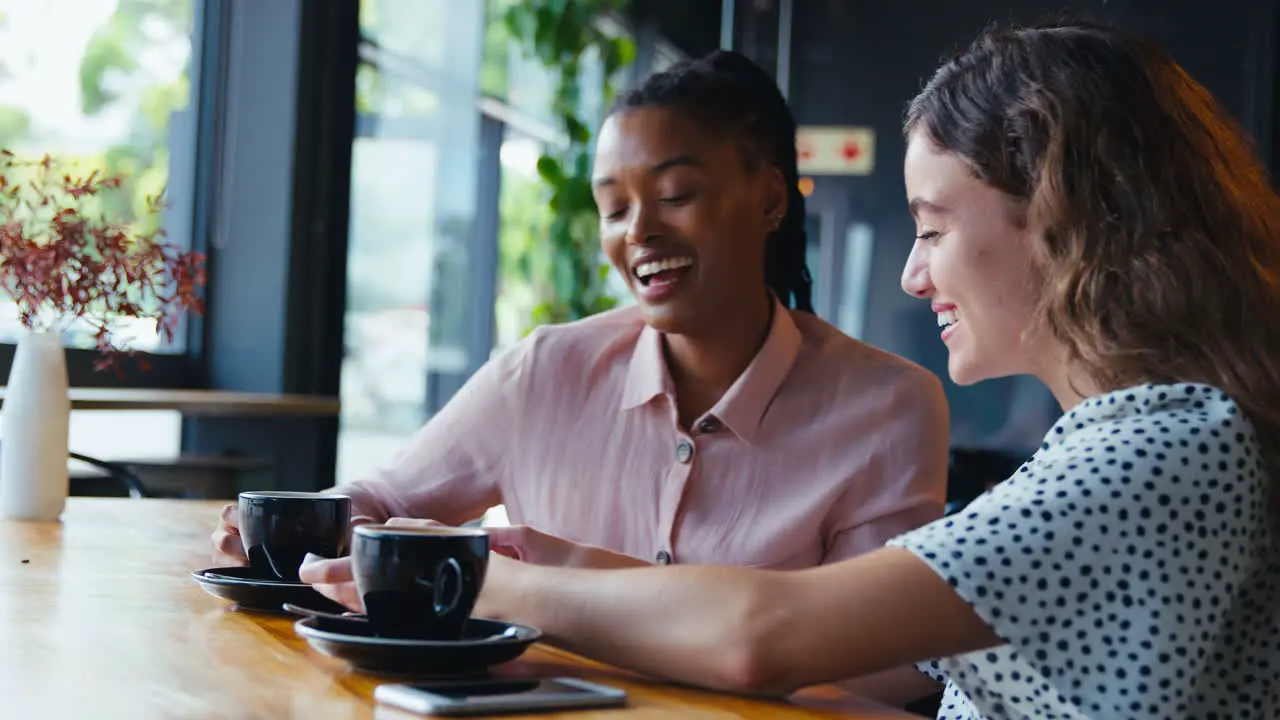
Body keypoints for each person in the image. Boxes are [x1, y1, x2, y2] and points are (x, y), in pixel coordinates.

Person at [305, 22, 1280, 719]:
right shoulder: (1142, 441)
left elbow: (761, 632)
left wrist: (479, 582)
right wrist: (550, 559)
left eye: (932, 227)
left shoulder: (1161, 450)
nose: (909, 270)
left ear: (1067, 218)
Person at [216, 52, 948, 576]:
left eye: (675, 195)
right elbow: (388, 499)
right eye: (614, 207)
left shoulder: (889, 407)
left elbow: (876, 668)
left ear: (769, 200)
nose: (639, 232)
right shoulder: (545, 371)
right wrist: (298, 526)